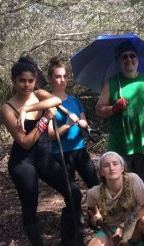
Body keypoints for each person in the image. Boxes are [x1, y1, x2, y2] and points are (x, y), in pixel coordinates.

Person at [0, 56, 84, 246]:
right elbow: (25, 143)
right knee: (30, 206)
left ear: (35, 80)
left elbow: (56, 100)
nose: (26, 85)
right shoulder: (8, 109)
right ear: (13, 80)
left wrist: (28, 110)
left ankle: (68, 239)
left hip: (44, 159)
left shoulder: (38, 95)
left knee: (73, 192)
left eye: (30, 80)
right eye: (21, 80)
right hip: (23, 163)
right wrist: (45, 119)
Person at [96, 40, 144, 190]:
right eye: (124, 57)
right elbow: (99, 110)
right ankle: (124, 214)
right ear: (119, 60)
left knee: (143, 188)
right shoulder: (111, 82)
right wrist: (114, 108)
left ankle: (142, 214)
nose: (129, 59)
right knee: (121, 188)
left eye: (132, 56)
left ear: (137, 59)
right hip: (120, 146)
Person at [47, 57, 99, 189]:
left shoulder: (74, 100)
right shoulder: (47, 104)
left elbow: (85, 123)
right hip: (60, 153)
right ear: (50, 79)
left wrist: (84, 124)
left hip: (80, 150)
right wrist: (68, 125)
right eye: (58, 76)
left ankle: (95, 210)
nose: (62, 80)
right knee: (71, 191)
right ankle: (73, 210)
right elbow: (50, 136)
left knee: (94, 184)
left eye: (65, 76)